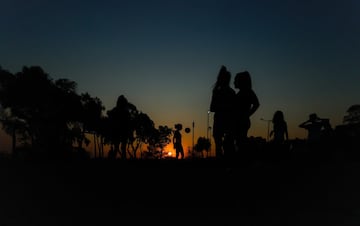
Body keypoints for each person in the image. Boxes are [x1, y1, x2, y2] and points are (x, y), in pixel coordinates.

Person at [209, 65, 236, 160]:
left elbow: (212, 108)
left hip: (220, 121)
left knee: (219, 146)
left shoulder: (217, 91)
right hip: (228, 121)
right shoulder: (231, 92)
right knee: (228, 145)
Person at [233, 71, 260, 152]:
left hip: (242, 122)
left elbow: (256, 104)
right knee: (239, 142)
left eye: (235, 80)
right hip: (240, 121)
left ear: (241, 81)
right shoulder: (240, 93)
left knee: (240, 143)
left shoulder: (248, 92)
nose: (234, 82)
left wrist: (247, 115)